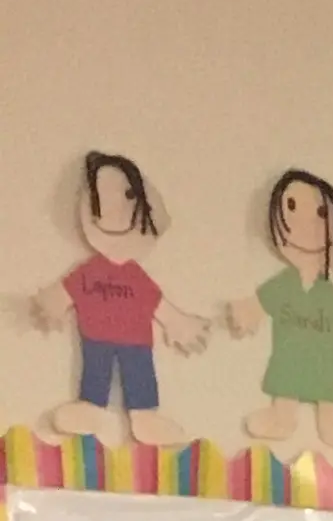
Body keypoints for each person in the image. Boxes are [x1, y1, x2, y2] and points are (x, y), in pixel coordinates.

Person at [31, 150, 207, 448]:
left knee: (140, 375)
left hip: (136, 343)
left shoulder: (136, 276)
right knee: (95, 372)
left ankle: (144, 416)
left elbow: (158, 304)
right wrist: (51, 304)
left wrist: (180, 324)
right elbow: (65, 292)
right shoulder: (90, 271)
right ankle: (89, 407)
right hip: (97, 338)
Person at [226, 168, 333, 457]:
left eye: (320, 213)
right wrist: (247, 311)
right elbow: (260, 302)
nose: (304, 223)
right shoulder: (283, 284)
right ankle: (282, 418)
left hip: (323, 365)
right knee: (285, 389)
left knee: (328, 393)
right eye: (292, 207)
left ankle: (331, 423)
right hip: (288, 361)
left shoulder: (326, 291)